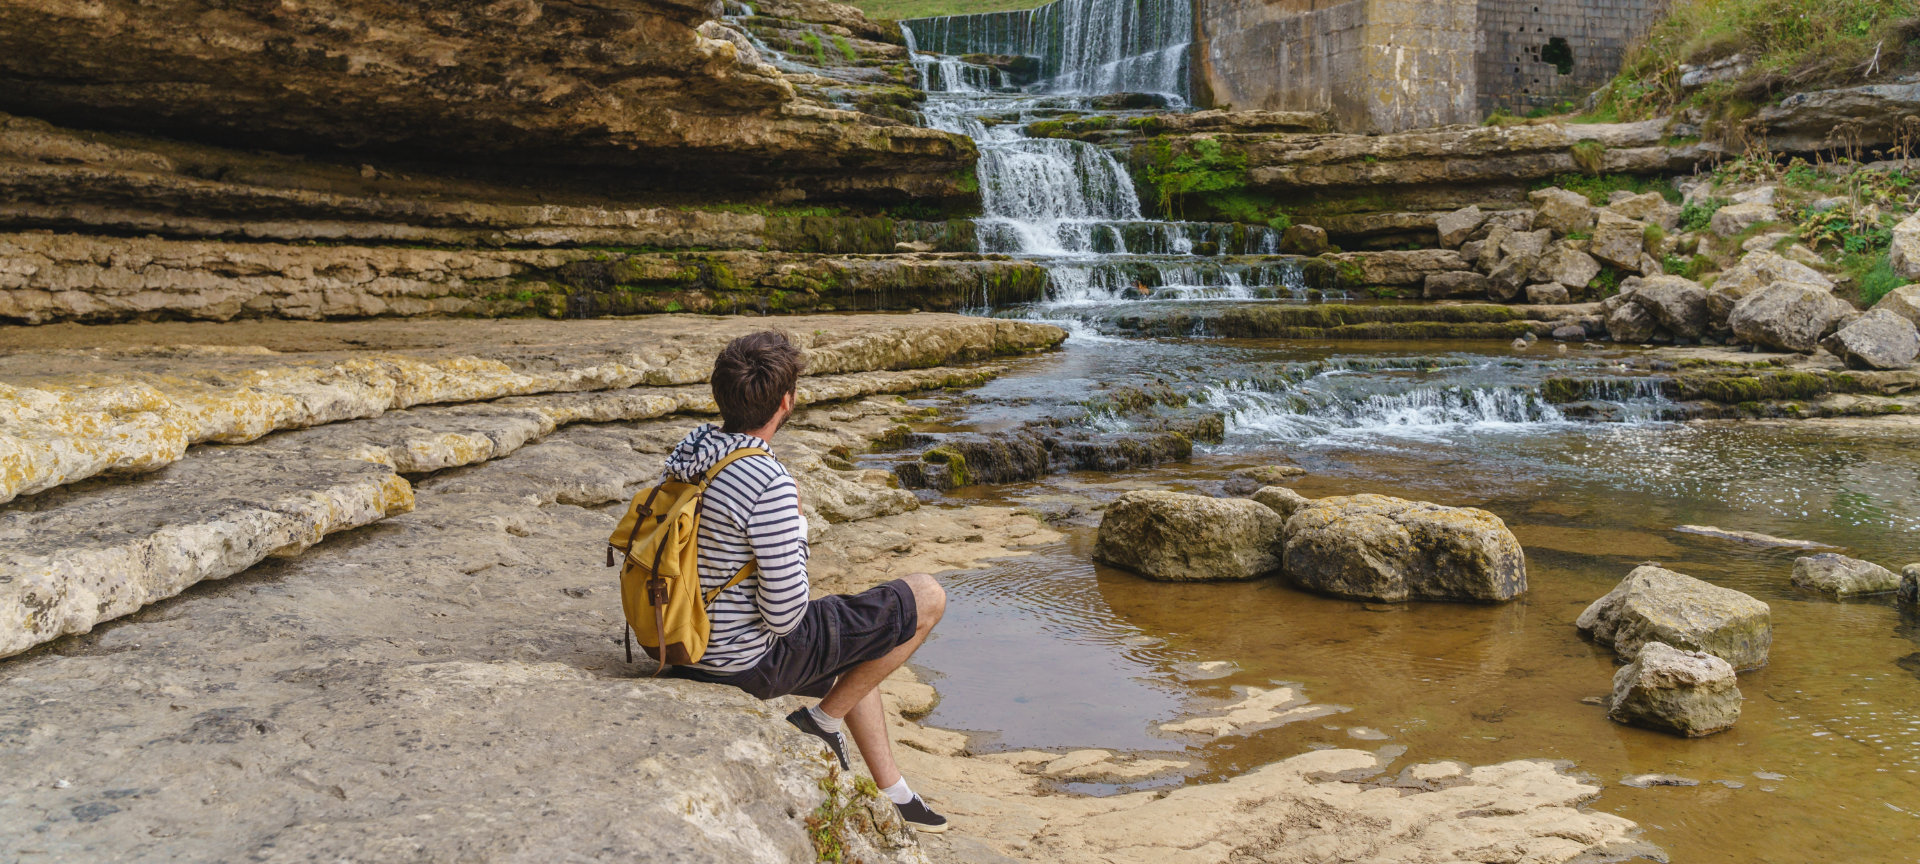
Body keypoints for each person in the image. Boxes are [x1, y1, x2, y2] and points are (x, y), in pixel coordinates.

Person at [664, 330, 950, 833]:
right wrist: (796, 524)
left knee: (858, 637)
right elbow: (786, 617)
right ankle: (820, 721)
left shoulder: (692, 446)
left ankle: (895, 791)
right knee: (925, 596)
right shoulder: (767, 481)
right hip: (740, 660)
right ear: (786, 402)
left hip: (679, 637)